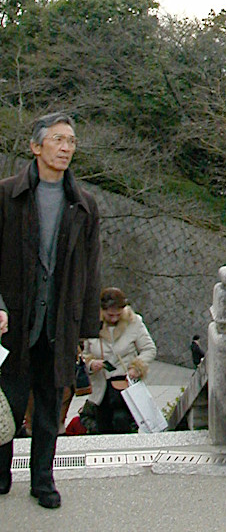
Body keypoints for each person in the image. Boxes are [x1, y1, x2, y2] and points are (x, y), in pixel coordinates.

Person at [0, 112, 101, 508]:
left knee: (48, 405)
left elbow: (91, 271)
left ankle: (43, 480)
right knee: (7, 402)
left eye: (71, 141)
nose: (65, 148)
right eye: (58, 140)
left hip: (59, 321)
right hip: (14, 321)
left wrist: (87, 331)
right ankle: (1, 473)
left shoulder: (83, 204)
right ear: (36, 146)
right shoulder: (7, 196)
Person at [82, 287, 156, 434]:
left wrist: (137, 367)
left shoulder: (134, 322)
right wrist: (91, 364)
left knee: (122, 422)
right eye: (110, 315)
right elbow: (83, 354)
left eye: (118, 314)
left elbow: (149, 349)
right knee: (102, 429)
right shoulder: (91, 323)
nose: (114, 318)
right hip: (101, 388)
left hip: (126, 384)